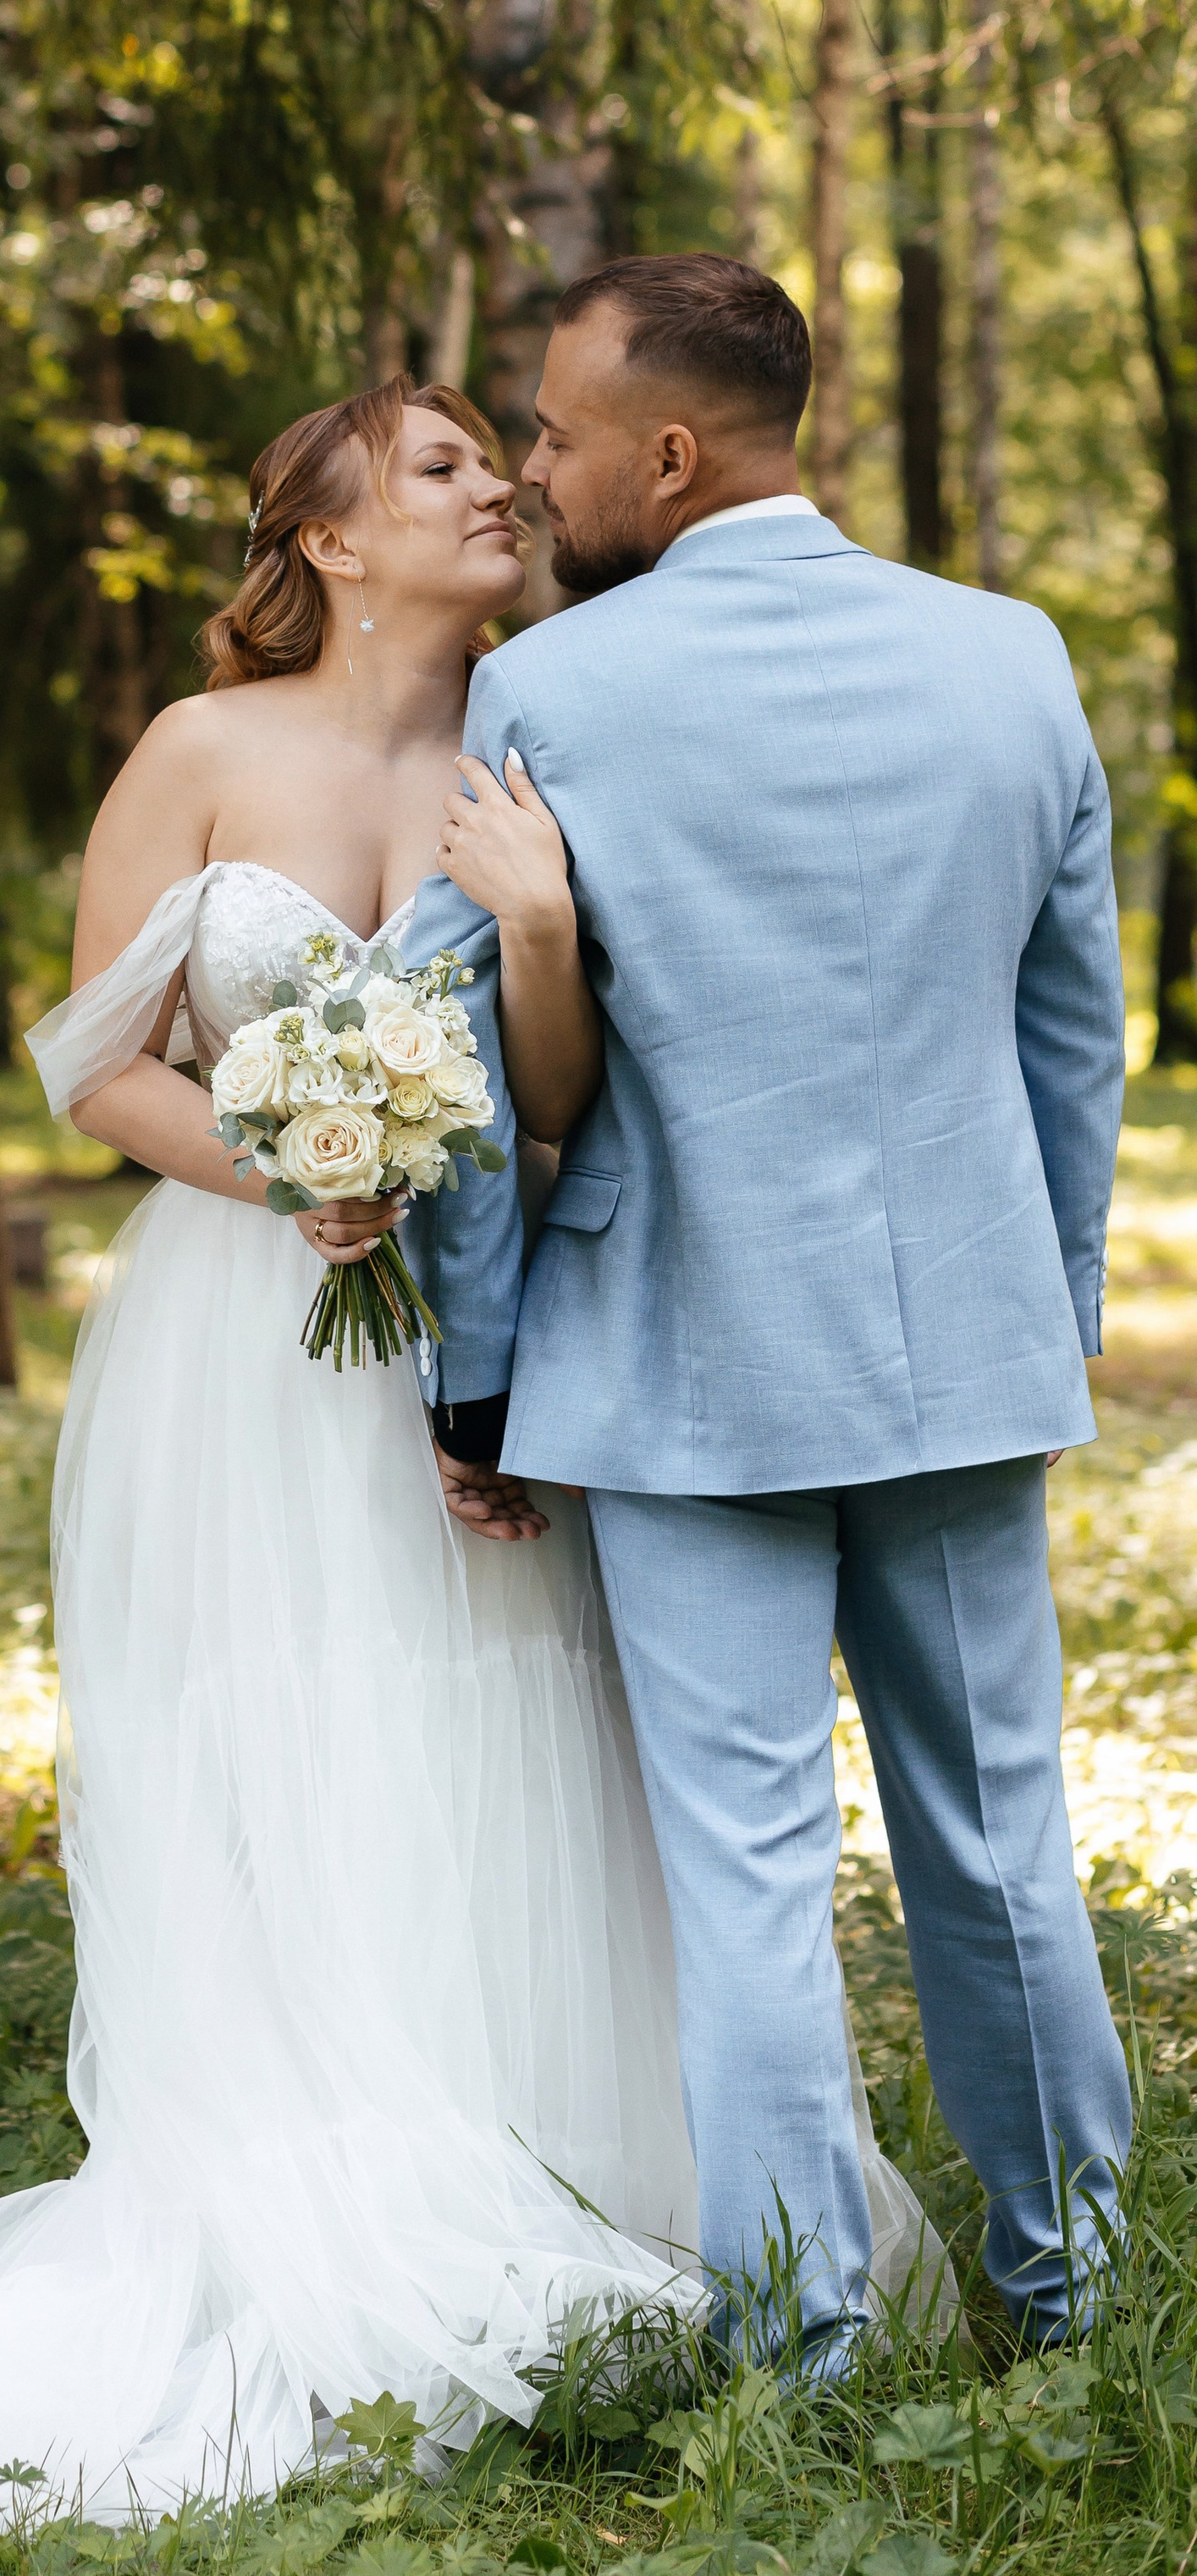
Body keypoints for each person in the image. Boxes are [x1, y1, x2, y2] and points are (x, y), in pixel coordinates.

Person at [0, 372, 929, 2531]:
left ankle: (553, 2162)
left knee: (507, 1718)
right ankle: (324, 2182)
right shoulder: (197, 748)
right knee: (291, 1725)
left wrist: (533, 934)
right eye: (440, 467)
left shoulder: (540, 738)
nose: (497, 488)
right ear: (330, 536)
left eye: (497, 461)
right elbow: (95, 1064)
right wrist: (291, 1174)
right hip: (242, 1336)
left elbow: (559, 1096)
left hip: (484, 1316)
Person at [407, 252, 1131, 2369]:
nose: (531, 475)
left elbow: (476, 1078)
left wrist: (475, 1376)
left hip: (674, 1363)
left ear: (665, 451)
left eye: (552, 436)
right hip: (956, 1352)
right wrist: (1042, 1306)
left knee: (740, 1870)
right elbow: (1066, 1034)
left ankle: (804, 2343)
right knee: (996, 1844)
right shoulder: (1009, 657)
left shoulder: (553, 694)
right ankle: (1077, 2288)